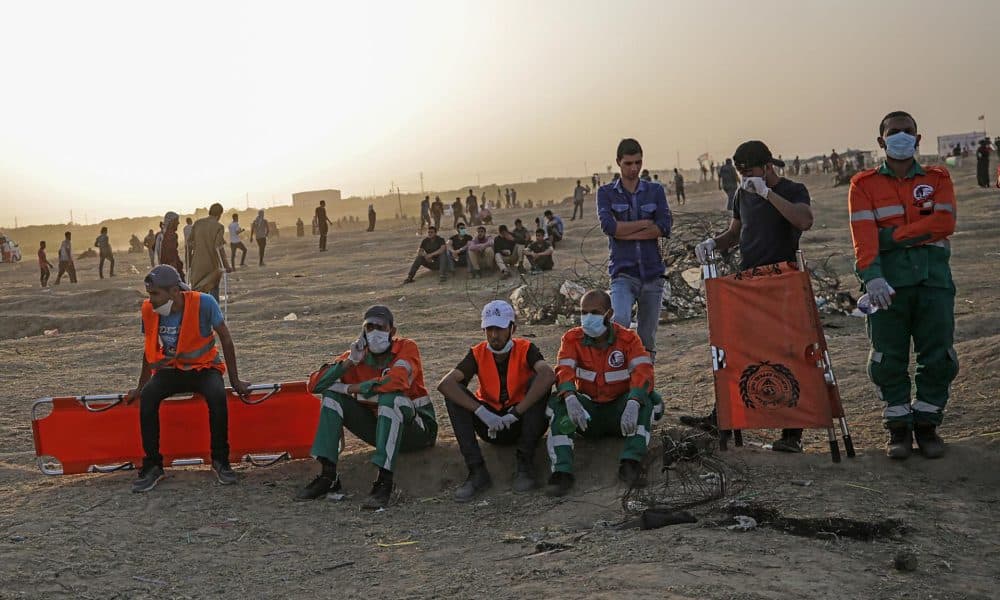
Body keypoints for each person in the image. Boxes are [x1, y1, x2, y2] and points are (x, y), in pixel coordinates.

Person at [690, 140, 814, 452]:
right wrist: (713, 244)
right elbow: (735, 233)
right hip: (749, 280)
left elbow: (804, 221)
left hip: (783, 281)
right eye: (740, 172)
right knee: (737, 349)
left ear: (767, 166)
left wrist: (768, 194)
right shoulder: (742, 193)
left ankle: (791, 433)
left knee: (788, 352)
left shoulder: (792, 189)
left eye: (750, 171)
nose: (745, 177)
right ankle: (725, 417)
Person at [848, 110, 957, 460]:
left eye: (908, 131)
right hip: (886, 285)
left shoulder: (938, 178)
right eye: (894, 132)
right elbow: (863, 239)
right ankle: (897, 429)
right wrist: (872, 275)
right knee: (886, 359)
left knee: (938, 357)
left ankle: (927, 426)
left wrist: (890, 236)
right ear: (881, 141)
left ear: (918, 138)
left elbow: (944, 223)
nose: (901, 137)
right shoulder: (862, 186)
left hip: (933, 282)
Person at [124, 265, 250, 493]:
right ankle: (153, 465)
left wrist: (236, 380)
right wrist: (140, 387)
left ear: (174, 291)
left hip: (204, 368)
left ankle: (220, 461)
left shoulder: (204, 303)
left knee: (217, 396)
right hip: (171, 370)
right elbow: (149, 350)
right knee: (149, 398)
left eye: (155, 294)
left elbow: (226, 339)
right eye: (149, 294)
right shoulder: (150, 310)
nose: (151, 300)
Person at [297, 305, 437, 509]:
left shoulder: (406, 348)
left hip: (417, 430)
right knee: (331, 396)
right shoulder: (356, 356)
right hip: (379, 428)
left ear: (392, 331)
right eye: (369, 327)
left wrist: (351, 388)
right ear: (363, 332)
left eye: (381, 327)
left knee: (390, 400)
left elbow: (396, 382)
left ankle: (384, 481)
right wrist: (349, 363)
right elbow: (314, 385)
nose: (375, 333)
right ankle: (328, 476)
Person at [545, 290, 661, 496]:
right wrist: (571, 397)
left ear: (609, 314)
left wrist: (633, 402)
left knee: (649, 400)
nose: (588, 318)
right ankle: (562, 472)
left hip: (620, 412)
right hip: (587, 413)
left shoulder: (628, 340)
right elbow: (564, 371)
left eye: (595, 312)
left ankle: (631, 462)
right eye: (583, 312)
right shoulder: (572, 339)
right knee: (558, 404)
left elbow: (644, 373)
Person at [438, 300, 555, 501]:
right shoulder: (477, 353)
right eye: (489, 329)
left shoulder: (526, 349)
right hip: (489, 424)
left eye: (499, 329)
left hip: (521, 421)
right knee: (455, 396)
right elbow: (445, 384)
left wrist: (516, 413)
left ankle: (525, 464)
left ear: (512, 328)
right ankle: (477, 472)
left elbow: (548, 375)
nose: (494, 335)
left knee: (539, 384)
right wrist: (482, 413)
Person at [598, 138, 672, 359]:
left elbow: (664, 226)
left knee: (647, 337)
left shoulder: (655, 191)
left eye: (638, 163)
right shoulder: (606, 193)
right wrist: (644, 223)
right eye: (628, 163)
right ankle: (617, 372)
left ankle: (644, 385)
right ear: (618, 162)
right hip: (623, 272)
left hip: (652, 272)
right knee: (619, 321)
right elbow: (609, 227)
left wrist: (625, 231)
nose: (634, 168)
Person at [189, 203, 232, 300]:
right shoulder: (219, 226)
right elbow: (219, 247)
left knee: (198, 292)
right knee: (213, 290)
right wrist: (226, 266)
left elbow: (189, 242)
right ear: (220, 214)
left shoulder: (197, 223)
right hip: (211, 265)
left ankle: (199, 312)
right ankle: (213, 312)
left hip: (197, 264)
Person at [158, 212, 185, 281]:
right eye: (177, 221)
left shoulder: (161, 234)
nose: (178, 223)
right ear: (172, 222)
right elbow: (171, 254)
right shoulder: (171, 235)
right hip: (172, 269)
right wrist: (175, 272)